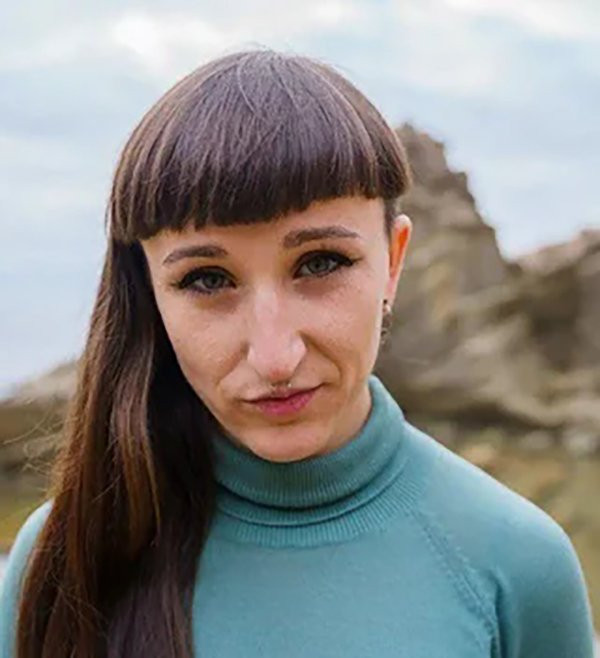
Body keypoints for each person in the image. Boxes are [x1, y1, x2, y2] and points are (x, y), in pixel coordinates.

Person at [0, 48, 595, 658]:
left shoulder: (519, 568)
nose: (275, 357)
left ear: (393, 262)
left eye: (320, 264)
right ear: (149, 291)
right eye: (207, 279)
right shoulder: (63, 561)